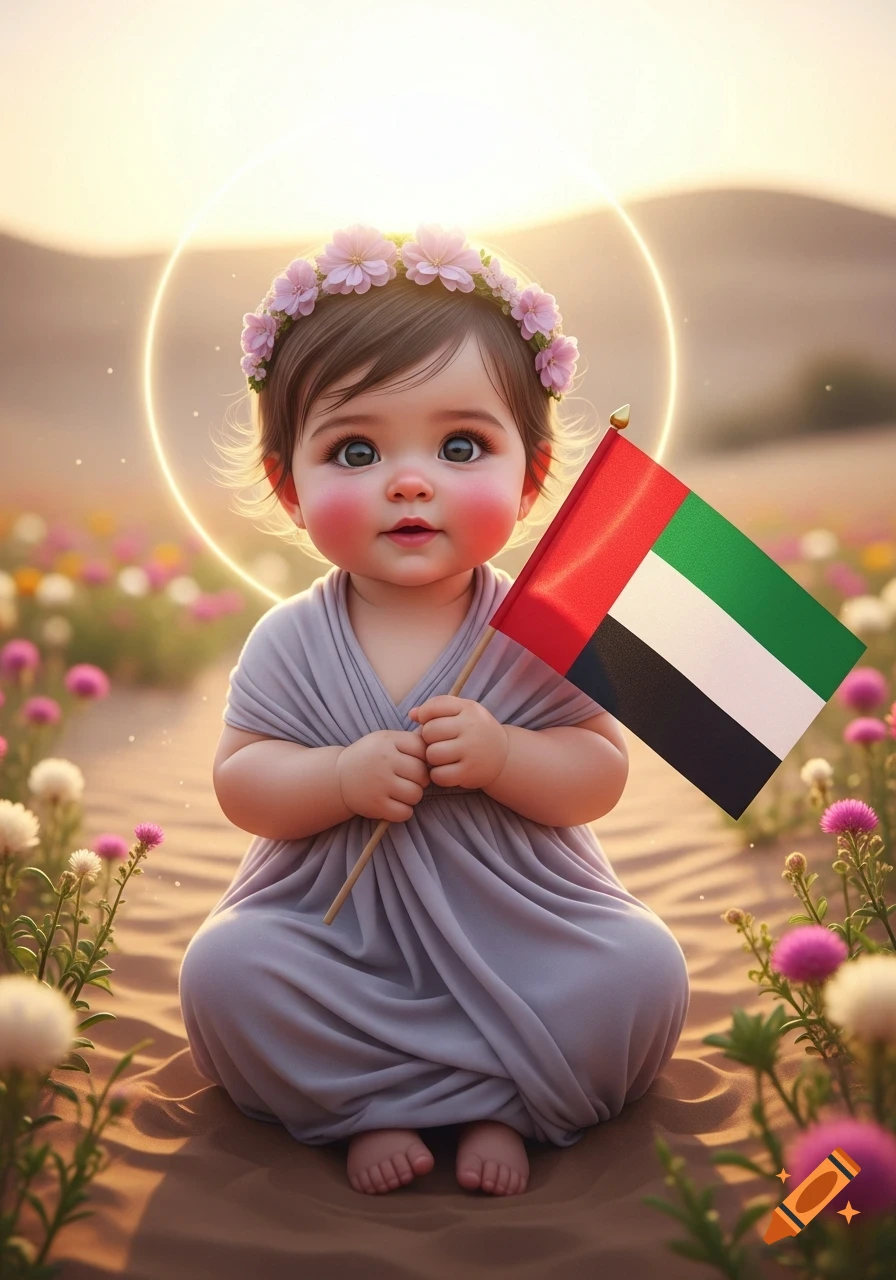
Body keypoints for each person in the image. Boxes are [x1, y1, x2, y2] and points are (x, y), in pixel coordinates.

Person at [178, 223, 690, 1199]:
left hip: (524, 931)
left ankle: (503, 1102)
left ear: (530, 477)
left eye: (461, 446)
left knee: (643, 967)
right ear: (288, 488)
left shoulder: (543, 627)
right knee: (225, 971)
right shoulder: (288, 638)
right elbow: (242, 782)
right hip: (339, 942)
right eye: (355, 449)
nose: (409, 480)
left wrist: (505, 757)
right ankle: (375, 1102)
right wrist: (336, 777)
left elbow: (599, 770)